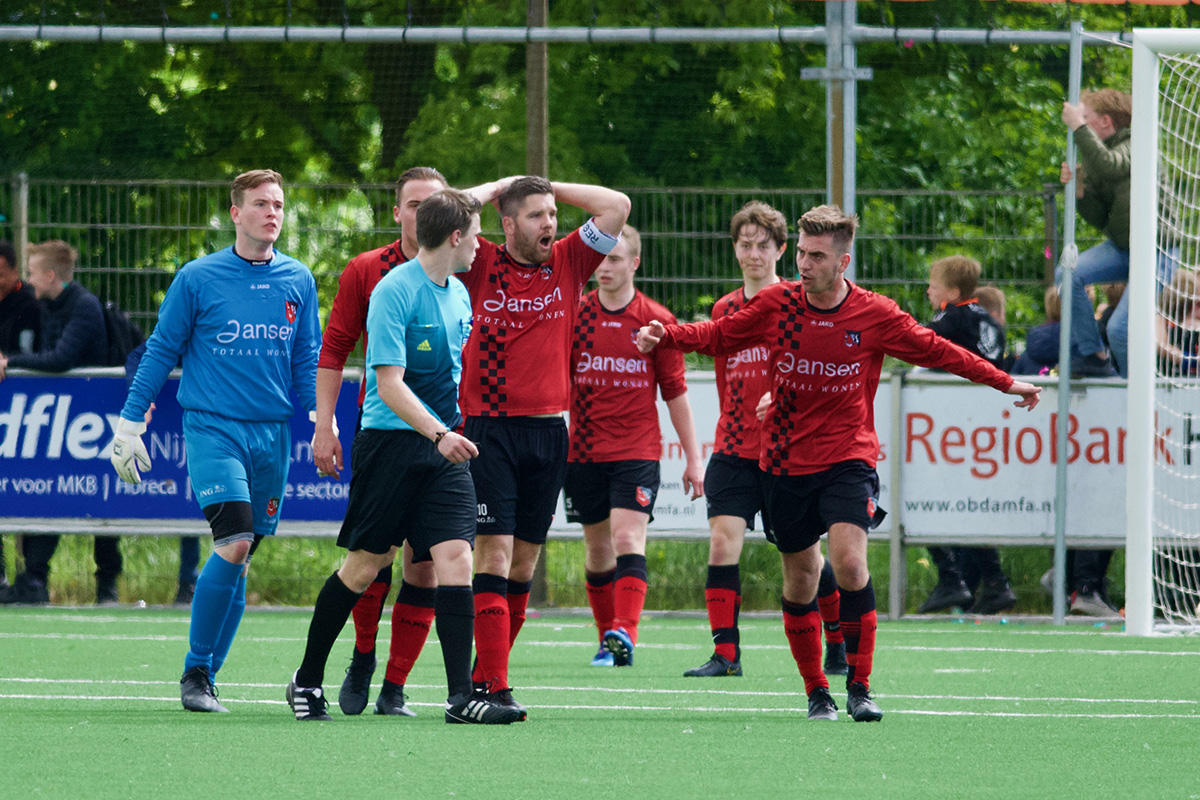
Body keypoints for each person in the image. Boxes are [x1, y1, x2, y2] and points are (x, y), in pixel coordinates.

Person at [636, 205, 1041, 722]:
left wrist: (1007, 382)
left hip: (848, 457)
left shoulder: (874, 314)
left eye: (817, 256)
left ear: (843, 262)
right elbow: (717, 336)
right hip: (783, 462)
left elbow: (939, 351)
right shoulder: (777, 304)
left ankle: (860, 687)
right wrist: (666, 334)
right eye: (802, 253)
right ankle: (816, 691)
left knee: (849, 562)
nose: (804, 264)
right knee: (802, 578)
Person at [286, 188, 520, 725]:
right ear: (456, 237)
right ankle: (307, 679)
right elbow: (388, 385)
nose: (482, 245)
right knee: (364, 567)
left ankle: (461, 699)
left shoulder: (459, 294)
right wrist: (439, 434)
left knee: (456, 560)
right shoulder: (393, 290)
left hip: (442, 448)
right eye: (476, 234)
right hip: (391, 446)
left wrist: (447, 434)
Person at [110, 169, 321, 713]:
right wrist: (130, 422)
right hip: (213, 428)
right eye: (261, 203)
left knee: (242, 558)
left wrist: (323, 419)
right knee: (235, 541)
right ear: (235, 213)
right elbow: (161, 350)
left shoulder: (298, 279)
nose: (272, 212)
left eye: (278, 204)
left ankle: (207, 676)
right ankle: (195, 672)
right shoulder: (197, 277)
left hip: (272, 437)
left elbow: (306, 359)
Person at [460, 175, 631, 717]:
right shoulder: (480, 261)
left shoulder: (570, 261)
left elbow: (617, 205)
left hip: (549, 433)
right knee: (494, 554)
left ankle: (482, 679)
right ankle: (496, 688)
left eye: (552, 214)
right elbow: (447, 211)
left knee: (523, 567)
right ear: (508, 224)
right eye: (536, 215)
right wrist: (502, 186)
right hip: (489, 430)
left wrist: (547, 185)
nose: (550, 223)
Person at [682, 202, 847, 679]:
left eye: (763, 245)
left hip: (785, 452)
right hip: (734, 446)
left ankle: (836, 638)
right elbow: (724, 372)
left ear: (781, 250)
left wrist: (783, 397)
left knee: (807, 557)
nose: (753, 254)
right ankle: (726, 654)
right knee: (721, 543)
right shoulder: (724, 309)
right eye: (744, 244)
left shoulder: (799, 303)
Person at [312, 166, 450, 717]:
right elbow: (335, 347)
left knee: (428, 565)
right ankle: (363, 655)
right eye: (414, 204)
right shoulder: (369, 270)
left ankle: (395, 686)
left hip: (446, 436)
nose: (424, 213)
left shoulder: (465, 270)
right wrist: (324, 425)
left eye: (435, 203)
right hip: (385, 434)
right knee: (374, 556)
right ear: (397, 213)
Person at [564, 224, 705, 668]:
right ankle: (607, 641)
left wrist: (694, 459)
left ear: (635, 263)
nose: (604, 267)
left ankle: (625, 631)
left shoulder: (656, 320)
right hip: (583, 451)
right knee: (597, 551)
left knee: (627, 536)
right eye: (600, 259)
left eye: (614, 259)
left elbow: (675, 393)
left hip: (636, 450)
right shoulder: (574, 314)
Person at [0, 240, 119, 606]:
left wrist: (10, 363)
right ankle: (34, 578)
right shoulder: (46, 305)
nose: (29, 280)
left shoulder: (83, 305)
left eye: (34, 273)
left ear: (51, 276)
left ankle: (107, 585)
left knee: (103, 502)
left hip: (96, 419)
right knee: (49, 495)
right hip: (66, 420)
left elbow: (61, 359)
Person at [918, 256, 1017, 615]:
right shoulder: (989, 321)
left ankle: (951, 577)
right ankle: (995, 582)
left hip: (950, 427)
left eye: (933, 285)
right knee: (969, 500)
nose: (928, 291)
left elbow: (920, 349)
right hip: (984, 427)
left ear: (953, 292)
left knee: (926, 495)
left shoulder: (949, 318)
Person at [1058, 89, 1132, 378]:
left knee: (1119, 329)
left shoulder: (1135, 143)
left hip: (1155, 251)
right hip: (1124, 247)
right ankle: (1095, 356)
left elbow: (1111, 166)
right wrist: (1080, 191)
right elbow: (1101, 218)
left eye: (1085, 117)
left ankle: (1130, 388)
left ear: (1104, 121)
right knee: (1067, 273)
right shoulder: (1097, 157)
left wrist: (1078, 127)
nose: (1080, 122)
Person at [122, 341, 200, 605]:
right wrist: (141, 398)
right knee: (192, 499)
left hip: (228, 425)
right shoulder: (186, 327)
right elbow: (141, 356)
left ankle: (217, 581)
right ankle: (192, 581)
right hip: (196, 429)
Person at [0, 239, 39, 594]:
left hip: (27, 415)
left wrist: (8, 361)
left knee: (32, 496)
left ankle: (33, 576)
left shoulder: (29, 303)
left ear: (14, 271)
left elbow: (37, 352)